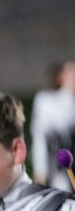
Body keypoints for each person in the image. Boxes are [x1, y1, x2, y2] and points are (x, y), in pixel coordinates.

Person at [31, 59, 75, 193]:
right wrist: (40, 171)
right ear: (61, 76)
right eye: (71, 72)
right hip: (59, 171)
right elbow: (40, 138)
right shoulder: (46, 101)